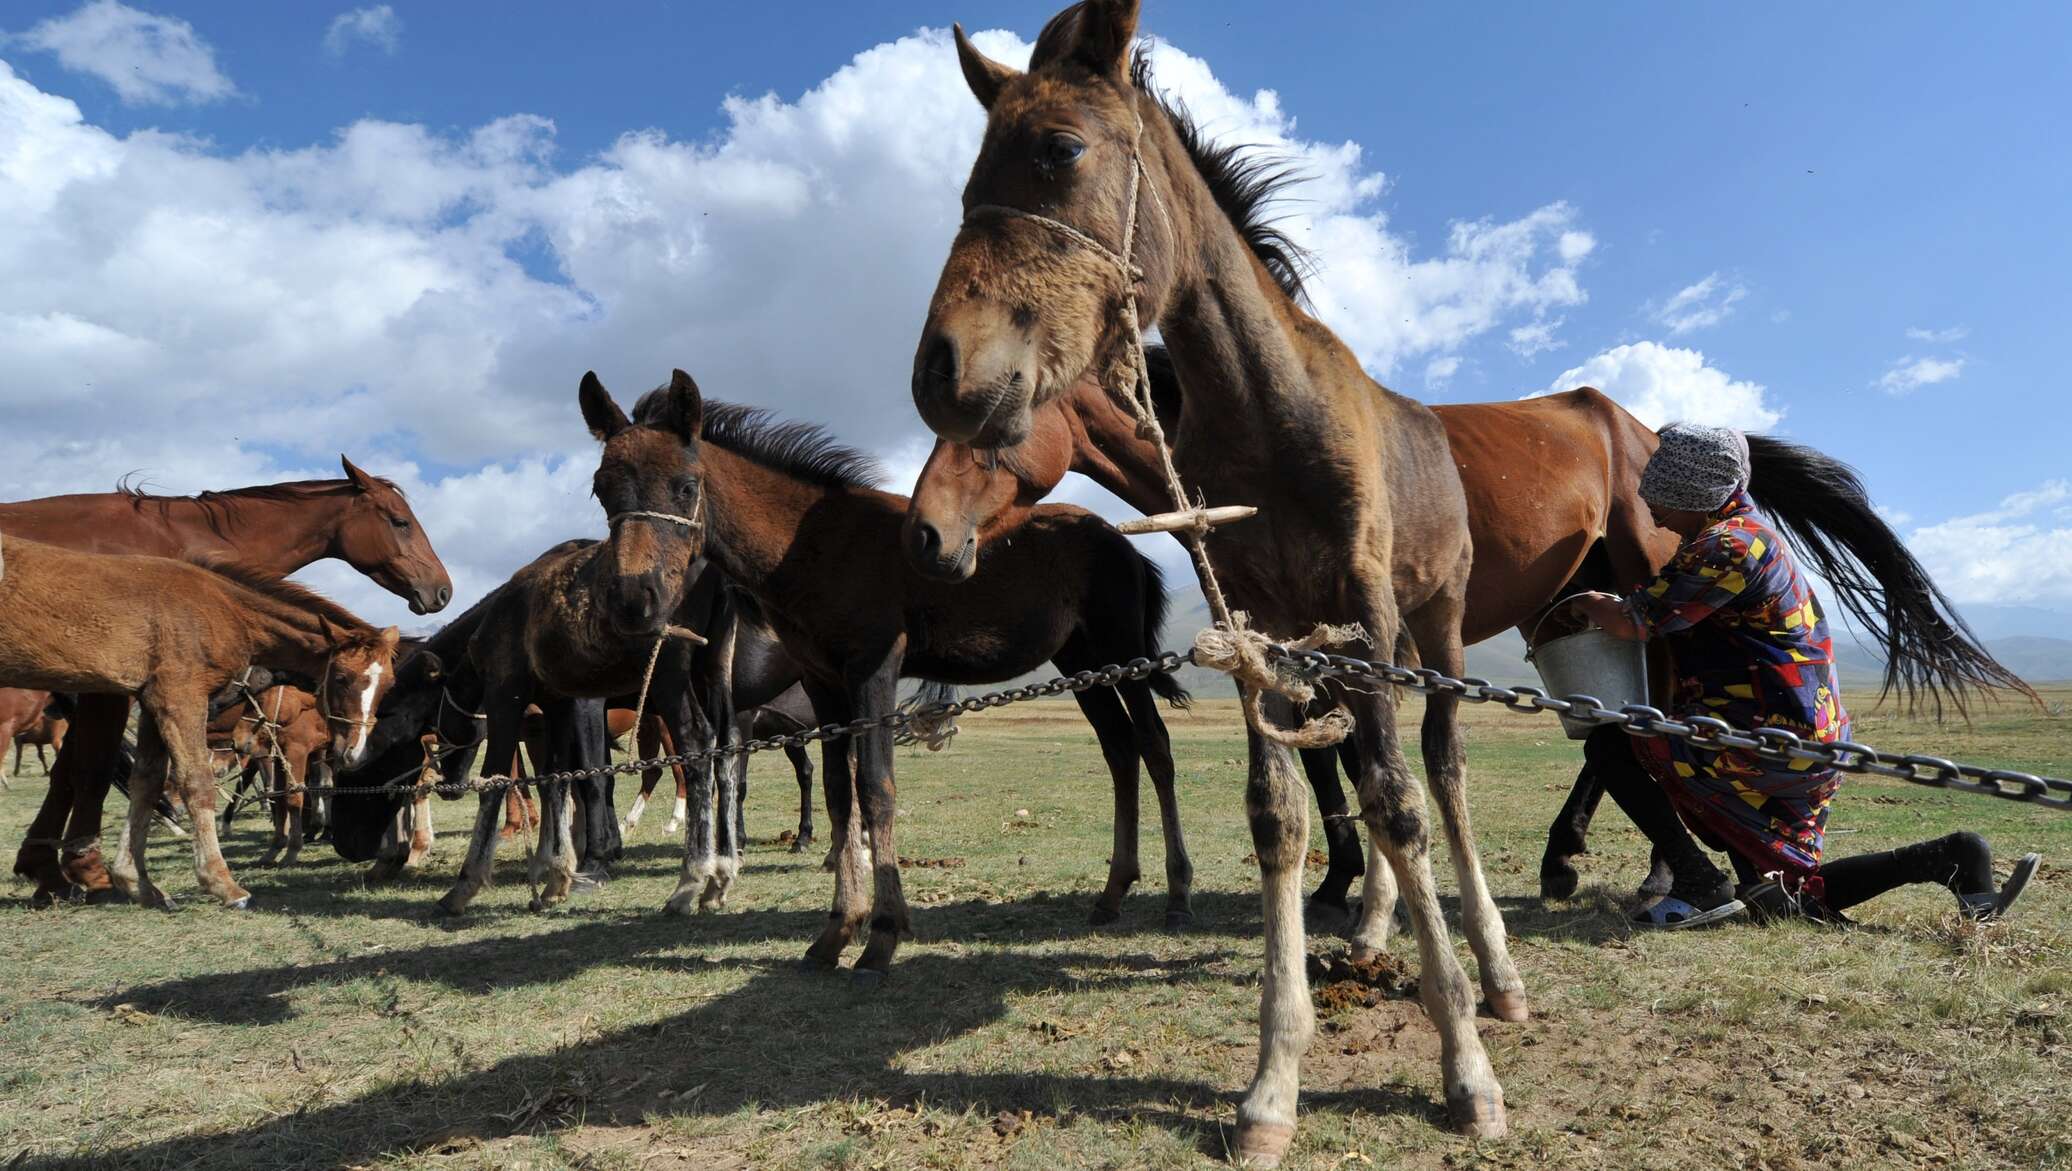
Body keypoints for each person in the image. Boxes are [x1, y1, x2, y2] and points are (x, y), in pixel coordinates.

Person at [1573, 422, 2040, 928]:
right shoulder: (1752, 537)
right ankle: (1952, 855)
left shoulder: (1726, 547)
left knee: (1612, 746)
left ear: (1699, 494)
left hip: (1762, 737)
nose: (1652, 512)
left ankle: (1696, 881)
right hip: (1805, 734)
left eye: (1663, 498)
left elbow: (1636, 622)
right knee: (1784, 897)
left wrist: (1589, 605)